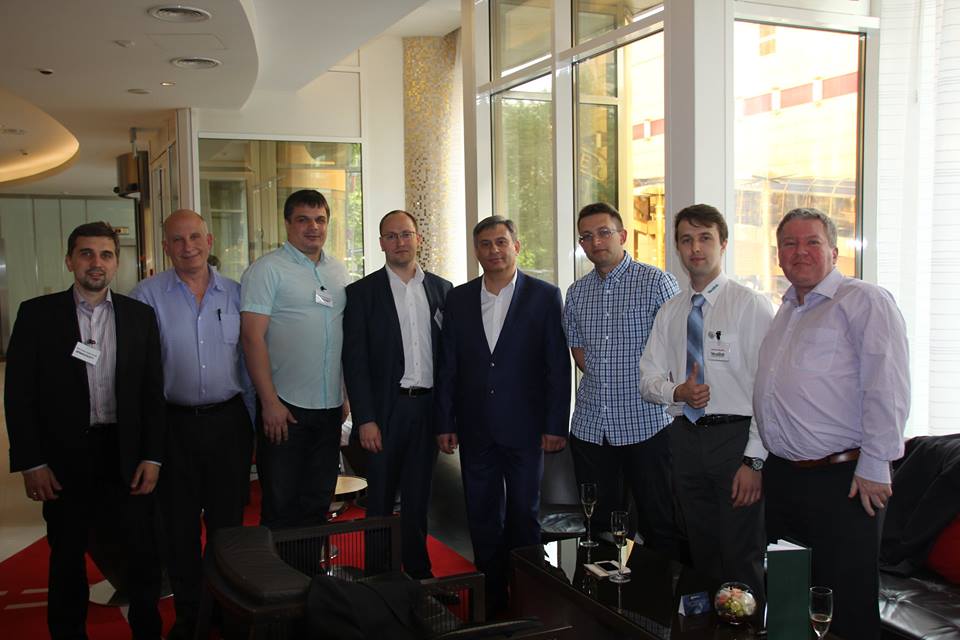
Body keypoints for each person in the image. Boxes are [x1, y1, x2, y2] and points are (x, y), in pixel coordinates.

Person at [4, 221, 165, 640]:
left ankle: (147, 632)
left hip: (125, 453)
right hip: (64, 458)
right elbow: (19, 396)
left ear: (116, 262)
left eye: (106, 254)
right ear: (69, 260)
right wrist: (31, 463)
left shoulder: (139, 316)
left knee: (141, 552)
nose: (97, 263)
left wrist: (153, 455)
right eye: (86, 254)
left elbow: (151, 393)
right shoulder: (37, 315)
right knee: (66, 556)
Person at [755, 207, 909, 640]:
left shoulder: (864, 301)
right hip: (785, 477)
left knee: (844, 605)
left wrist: (876, 464)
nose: (799, 252)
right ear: (779, 255)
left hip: (845, 481)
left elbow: (887, 385)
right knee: (787, 597)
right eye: (789, 244)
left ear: (835, 252)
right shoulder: (787, 309)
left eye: (812, 242)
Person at [435, 215, 570, 614]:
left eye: (501, 242)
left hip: (527, 429)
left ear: (516, 246)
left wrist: (555, 424)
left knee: (525, 514)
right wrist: (444, 421)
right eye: (485, 244)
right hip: (475, 427)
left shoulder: (545, 296)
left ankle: (528, 595)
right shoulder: (459, 298)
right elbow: (448, 365)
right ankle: (490, 596)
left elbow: (557, 366)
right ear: (476, 251)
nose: (493, 250)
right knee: (481, 514)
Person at [639, 204, 772, 605]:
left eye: (705, 238)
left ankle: (747, 628)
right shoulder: (671, 311)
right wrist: (677, 392)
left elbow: (766, 390)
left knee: (741, 552)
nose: (695, 248)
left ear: (723, 243)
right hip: (685, 438)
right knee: (700, 549)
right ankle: (712, 629)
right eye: (686, 240)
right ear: (677, 248)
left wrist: (754, 461)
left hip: (736, 441)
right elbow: (647, 380)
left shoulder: (749, 304)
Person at [130, 209, 254, 639]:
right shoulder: (145, 296)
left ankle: (227, 609)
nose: (188, 247)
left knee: (228, 526)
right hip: (172, 426)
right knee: (177, 527)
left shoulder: (236, 294)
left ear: (210, 240)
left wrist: (255, 425)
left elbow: (249, 364)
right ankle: (189, 615)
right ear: (166, 247)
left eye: (195, 237)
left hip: (228, 423)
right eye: (178, 240)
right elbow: (138, 372)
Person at [561, 202, 681, 555]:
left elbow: (675, 348)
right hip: (591, 428)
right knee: (598, 525)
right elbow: (579, 351)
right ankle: (601, 589)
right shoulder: (577, 292)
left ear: (623, 235)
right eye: (586, 236)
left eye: (604, 232)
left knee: (659, 525)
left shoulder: (656, 282)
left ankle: (653, 592)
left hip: (646, 425)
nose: (596, 242)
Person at [342, 210, 452, 579]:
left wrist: (448, 417)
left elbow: (450, 361)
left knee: (419, 499)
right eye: (391, 236)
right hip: (385, 412)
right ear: (381, 243)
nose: (399, 242)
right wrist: (365, 419)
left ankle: (420, 574)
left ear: (418, 238)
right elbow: (355, 363)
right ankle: (378, 578)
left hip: (427, 409)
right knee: (380, 501)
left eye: (405, 234)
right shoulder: (361, 294)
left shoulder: (443, 290)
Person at [241, 189, 349, 528]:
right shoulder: (267, 270)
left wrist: (345, 394)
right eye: (303, 219)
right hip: (285, 408)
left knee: (317, 502)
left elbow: (342, 337)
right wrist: (269, 402)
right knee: (281, 505)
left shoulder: (338, 271)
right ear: (287, 224)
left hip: (330, 407)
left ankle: (311, 564)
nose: (313, 227)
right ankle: (279, 567)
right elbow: (251, 338)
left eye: (320, 220)